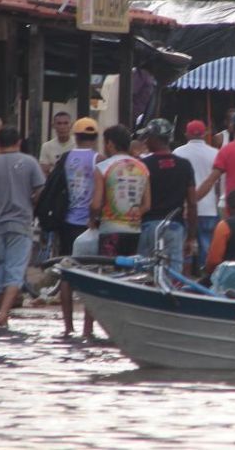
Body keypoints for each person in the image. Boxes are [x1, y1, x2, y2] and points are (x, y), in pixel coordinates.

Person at [0, 125, 45, 327]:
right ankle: (3, 313)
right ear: (18, 142)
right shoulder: (29, 162)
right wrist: (30, 201)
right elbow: (41, 192)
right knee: (15, 269)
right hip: (20, 223)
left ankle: (0, 308)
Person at [60, 117, 104, 336]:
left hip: (68, 221)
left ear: (75, 137)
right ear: (95, 137)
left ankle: (68, 327)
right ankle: (88, 329)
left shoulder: (66, 157)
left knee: (67, 274)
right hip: (91, 223)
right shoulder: (99, 158)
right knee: (91, 275)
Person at [137, 119, 197, 275]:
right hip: (175, 227)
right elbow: (192, 203)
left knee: (144, 275)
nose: (146, 141)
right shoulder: (184, 165)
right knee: (173, 276)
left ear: (153, 139)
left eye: (147, 137)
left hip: (148, 226)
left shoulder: (144, 165)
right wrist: (191, 236)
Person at [91, 124, 149, 256]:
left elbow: (96, 204)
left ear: (110, 143)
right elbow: (147, 205)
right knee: (129, 272)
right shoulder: (142, 168)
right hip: (134, 230)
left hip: (110, 230)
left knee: (108, 273)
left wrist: (91, 219)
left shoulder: (102, 167)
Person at [174, 120, 219, 271]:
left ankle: (184, 281)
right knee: (206, 249)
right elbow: (217, 185)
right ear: (205, 133)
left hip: (186, 209)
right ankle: (204, 279)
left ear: (186, 134)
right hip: (209, 209)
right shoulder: (215, 154)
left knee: (185, 247)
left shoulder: (178, 153)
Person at [39, 111, 74, 175]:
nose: (62, 127)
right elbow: (44, 172)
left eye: (66, 123)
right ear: (53, 126)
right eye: (59, 123)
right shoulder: (47, 147)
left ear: (71, 125)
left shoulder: (78, 144)